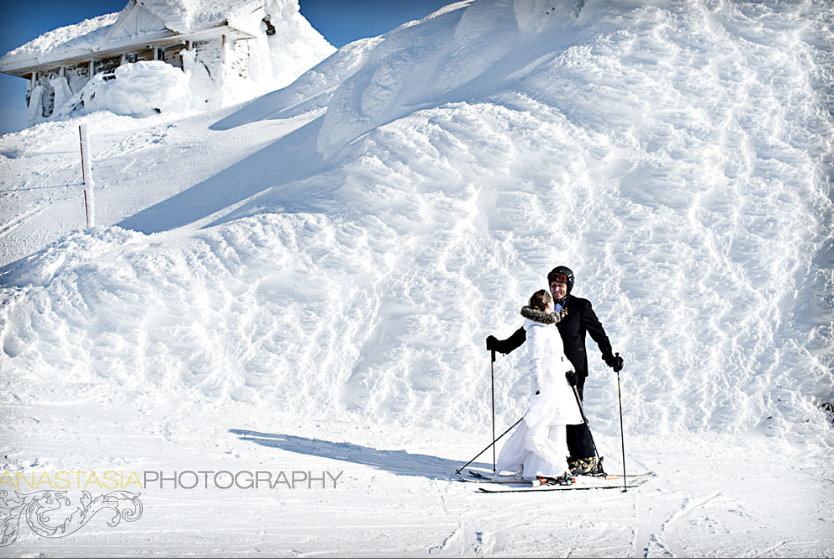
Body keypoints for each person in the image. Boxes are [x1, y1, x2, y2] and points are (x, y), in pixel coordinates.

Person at [486, 265, 623, 475]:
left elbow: (599, 334)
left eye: (560, 285)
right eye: (553, 285)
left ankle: (586, 459)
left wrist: (609, 357)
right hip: (553, 372)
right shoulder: (545, 309)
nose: (556, 289)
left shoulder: (581, 306)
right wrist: (500, 346)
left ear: (568, 285)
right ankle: (557, 458)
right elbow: (524, 334)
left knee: (574, 413)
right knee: (556, 416)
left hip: (573, 371)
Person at [493, 289, 583, 485]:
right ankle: (556, 467)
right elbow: (535, 361)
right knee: (535, 432)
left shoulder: (550, 324)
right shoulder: (535, 328)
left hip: (560, 383)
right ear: (548, 304)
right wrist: (538, 388)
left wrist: (570, 370)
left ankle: (542, 470)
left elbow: (559, 354)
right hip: (548, 386)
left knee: (557, 428)